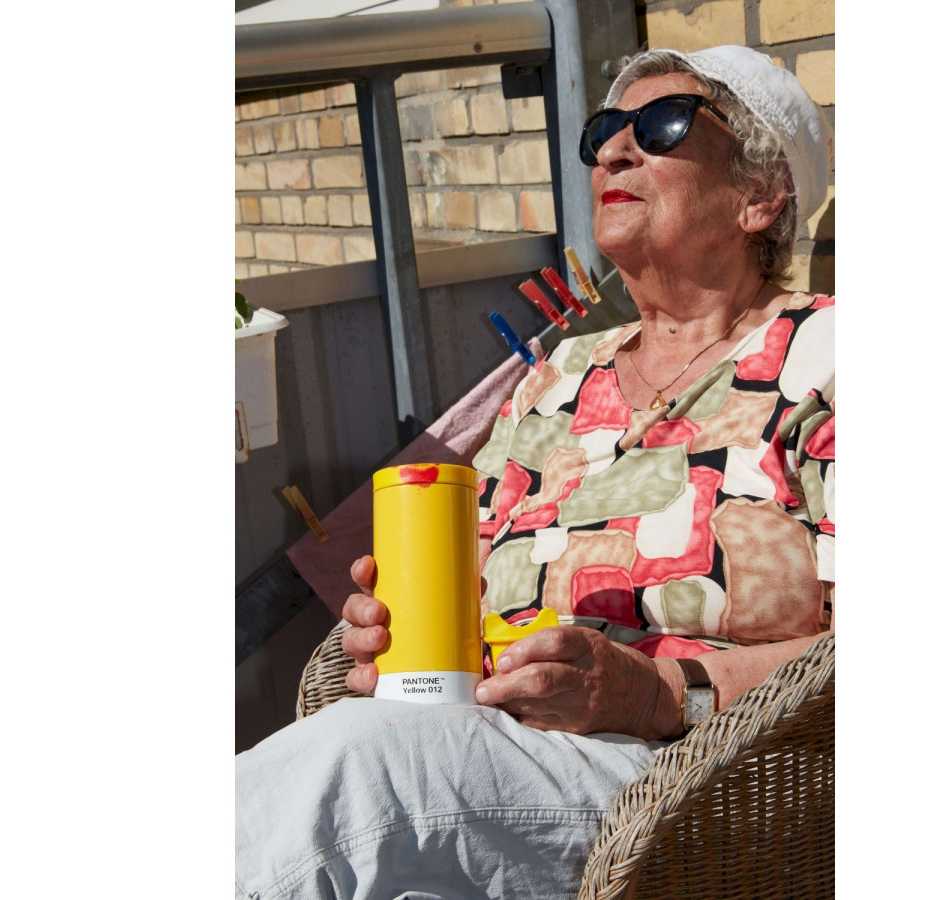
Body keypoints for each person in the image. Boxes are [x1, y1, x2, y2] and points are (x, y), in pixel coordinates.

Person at [236, 44, 834, 900]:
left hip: (691, 781)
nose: (614, 151)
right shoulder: (557, 377)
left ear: (760, 194)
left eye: (662, 124)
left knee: (352, 778)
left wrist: (663, 694)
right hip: (477, 747)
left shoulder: (827, 357)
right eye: (604, 130)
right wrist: (392, 635)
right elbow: (464, 584)